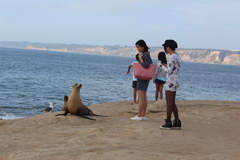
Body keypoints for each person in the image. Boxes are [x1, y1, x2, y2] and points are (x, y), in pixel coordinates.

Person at [159, 40, 182, 129]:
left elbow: (169, 71)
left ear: (168, 47)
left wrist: (160, 66)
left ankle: (168, 122)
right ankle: (177, 121)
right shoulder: (178, 56)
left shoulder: (172, 57)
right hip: (175, 80)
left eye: (165, 47)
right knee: (172, 103)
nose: (164, 49)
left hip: (170, 81)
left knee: (169, 103)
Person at [130, 40, 153, 121]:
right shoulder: (147, 54)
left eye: (139, 47)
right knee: (144, 97)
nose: (138, 49)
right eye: (137, 47)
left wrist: (140, 59)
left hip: (142, 78)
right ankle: (142, 115)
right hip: (144, 78)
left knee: (141, 98)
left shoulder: (145, 54)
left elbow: (146, 65)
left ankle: (139, 115)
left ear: (143, 46)